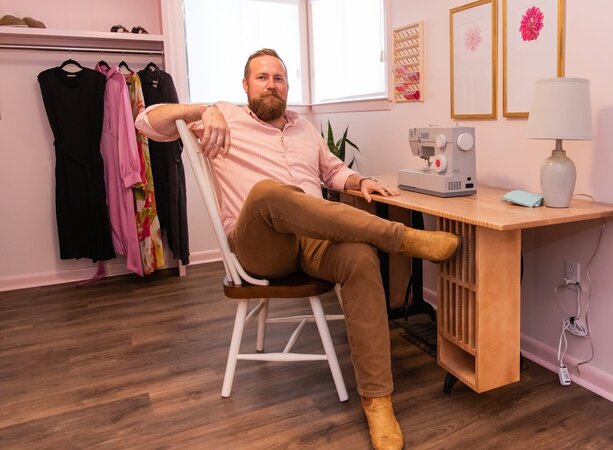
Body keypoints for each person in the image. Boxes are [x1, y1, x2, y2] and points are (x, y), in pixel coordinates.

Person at [135, 48, 458, 450]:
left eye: (279, 78)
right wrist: (205, 109)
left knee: (359, 257)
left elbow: (333, 170)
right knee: (271, 192)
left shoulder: (306, 129)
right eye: (262, 77)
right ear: (245, 85)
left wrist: (359, 183)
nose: (271, 84)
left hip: (313, 243)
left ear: (287, 86)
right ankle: (400, 238)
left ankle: (378, 402)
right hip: (259, 246)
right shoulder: (222, 117)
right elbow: (145, 121)